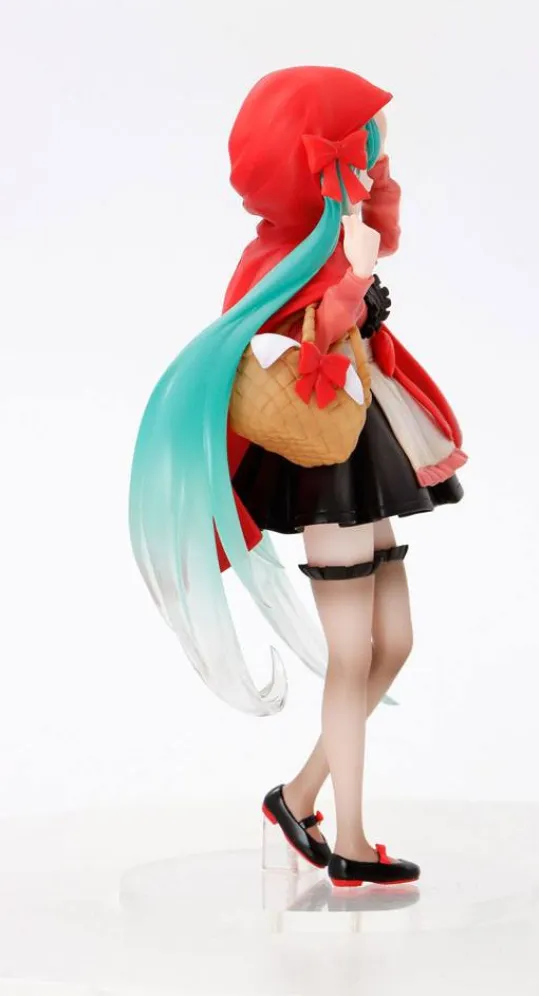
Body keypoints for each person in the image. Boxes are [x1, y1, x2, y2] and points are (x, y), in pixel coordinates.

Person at [129, 67, 467, 888]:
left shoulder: (322, 242)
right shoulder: (279, 261)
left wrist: (363, 220)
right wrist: (350, 278)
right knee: (353, 656)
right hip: (324, 463)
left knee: (395, 643)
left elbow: (370, 269)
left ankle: (297, 796)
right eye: (359, 159)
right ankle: (347, 839)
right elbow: (303, 350)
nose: (372, 173)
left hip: (363, 445)